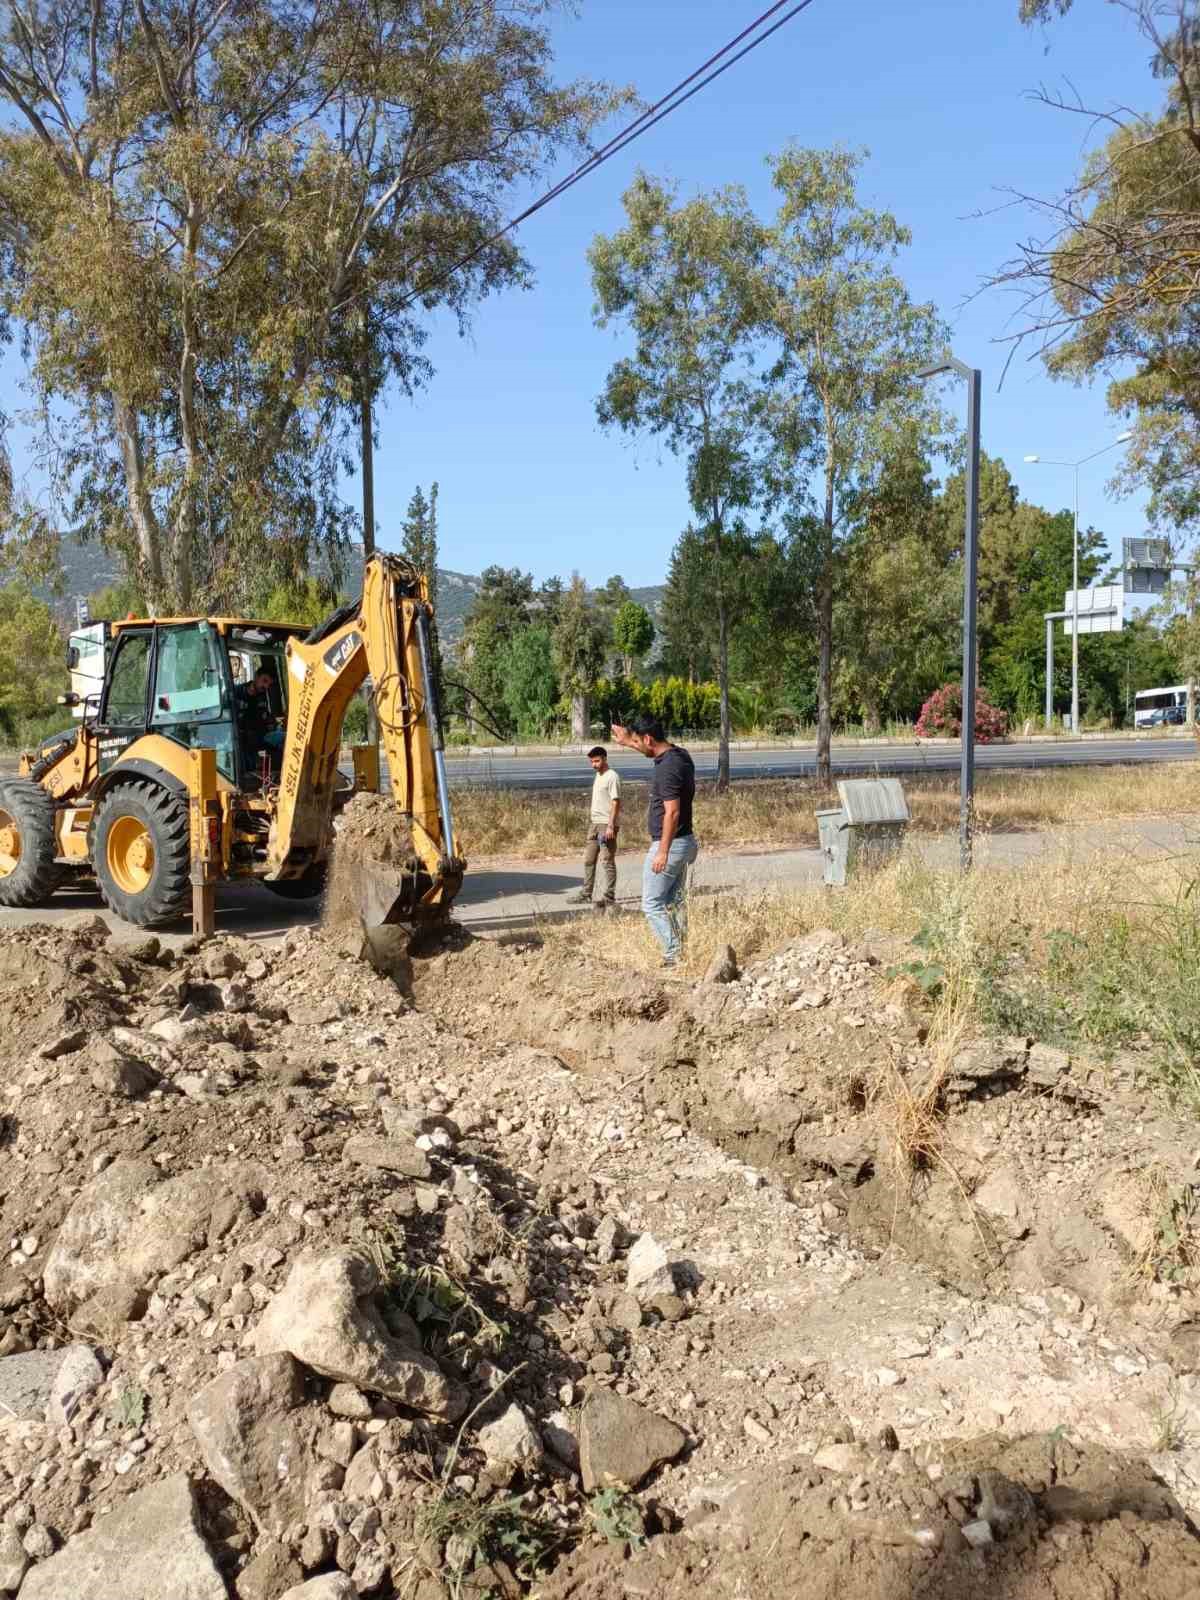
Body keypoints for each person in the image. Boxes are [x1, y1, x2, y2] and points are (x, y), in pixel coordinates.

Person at [609, 715, 697, 967]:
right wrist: (626, 740)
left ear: (648, 738)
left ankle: (673, 954)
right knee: (674, 901)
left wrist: (663, 852)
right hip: (685, 840)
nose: (635, 745)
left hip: (670, 843)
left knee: (651, 904)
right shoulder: (680, 755)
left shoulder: (666, 768)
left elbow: (673, 812)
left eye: (637, 741)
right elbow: (645, 745)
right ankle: (683, 949)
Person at [569, 745, 621, 908]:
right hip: (594, 823)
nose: (594, 765)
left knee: (607, 861)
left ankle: (609, 897)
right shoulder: (598, 775)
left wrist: (611, 826)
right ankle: (586, 894)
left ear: (605, 759)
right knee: (589, 860)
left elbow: (616, 802)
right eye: (592, 762)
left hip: (606, 824)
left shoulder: (612, 776)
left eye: (597, 761)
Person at [237, 668, 283, 775]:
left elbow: (264, 718)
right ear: (256, 677)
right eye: (265, 680)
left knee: (286, 738)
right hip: (244, 741)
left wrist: (273, 722)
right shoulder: (237, 693)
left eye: (269, 684)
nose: (266, 686)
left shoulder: (262, 697)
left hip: (261, 737)